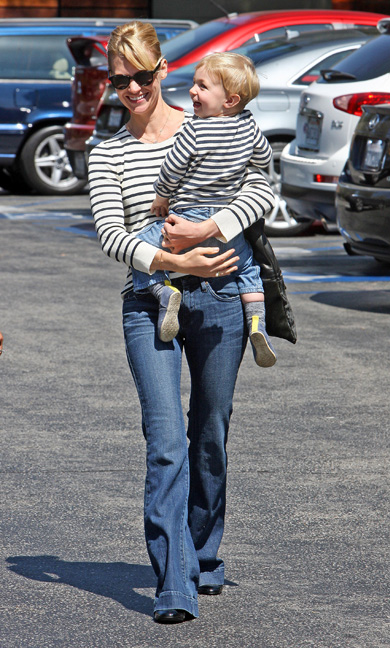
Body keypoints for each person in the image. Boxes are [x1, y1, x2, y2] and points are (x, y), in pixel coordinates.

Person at [88, 20, 275, 624]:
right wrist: (170, 257)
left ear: (162, 69)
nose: (132, 89)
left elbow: (265, 191)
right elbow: (109, 233)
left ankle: (203, 555)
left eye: (141, 76)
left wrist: (210, 230)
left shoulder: (211, 127)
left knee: (210, 433)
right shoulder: (108, 150)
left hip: (220, 299)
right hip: (149, 303)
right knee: (167, 441)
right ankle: (174, 582)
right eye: (121, 81)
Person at [130, 52, 276, 367]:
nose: (193, 91)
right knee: (248, 269)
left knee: (141, 245)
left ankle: (163, 291)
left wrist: (161, 196)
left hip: (187, 217)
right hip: (227, 224)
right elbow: (264, 160)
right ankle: (256, 324)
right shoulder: (250, 128)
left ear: (229, 99)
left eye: (202, 86)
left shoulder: (194, 130)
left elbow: (172, 168)